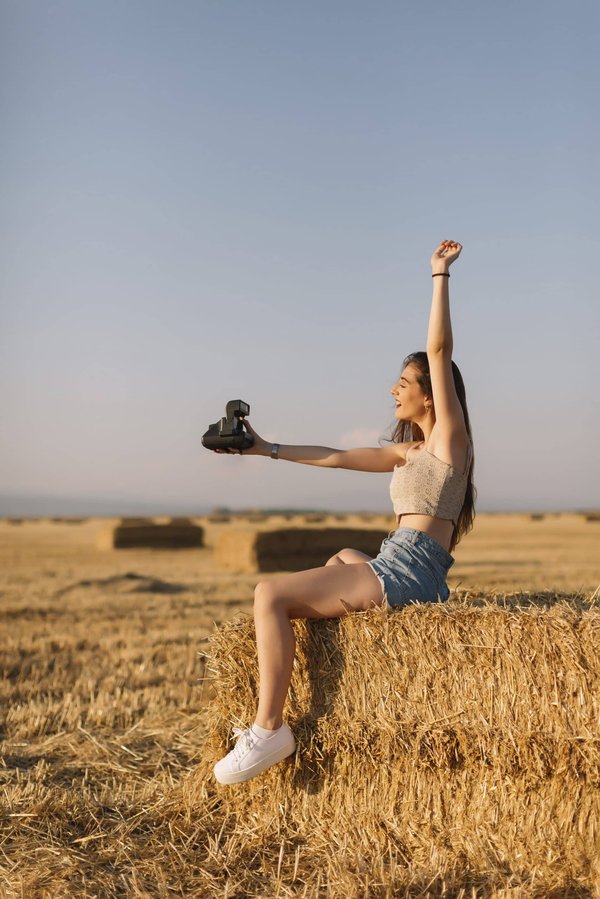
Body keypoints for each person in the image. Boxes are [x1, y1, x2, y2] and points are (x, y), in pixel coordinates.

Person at [212, 239, 476, 785]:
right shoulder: (409, 453)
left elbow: (439, 351)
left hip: (408, 575)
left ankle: (269, 728)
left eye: (404, 384)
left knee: (270, 594)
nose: (393, 391)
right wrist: (267, 449)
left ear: (432, 395)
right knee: (339, 557)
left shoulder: (451, 442)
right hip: (397, 565)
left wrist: (438, 276)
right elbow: (335, 457)